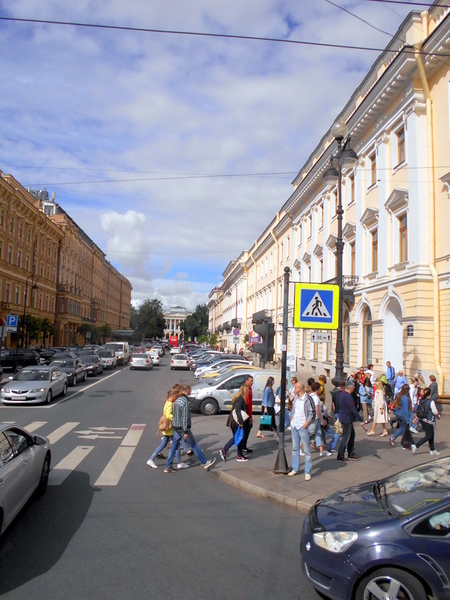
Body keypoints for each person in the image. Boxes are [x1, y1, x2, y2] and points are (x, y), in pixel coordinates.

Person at [164, 384, 216, 473]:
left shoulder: (177, 400)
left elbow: (176, 415)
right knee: (194, 445)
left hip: (176, 427)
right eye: (190, 390)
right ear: (187, 390)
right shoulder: (185, 402)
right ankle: (205, 462)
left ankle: (168, 466)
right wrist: (185, 431)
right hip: (182, 428)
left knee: (174, 447)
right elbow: (184, 417)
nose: (191, 391)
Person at [147, 389, 188, 469]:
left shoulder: (168, 402)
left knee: (164, 445)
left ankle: (151, 459)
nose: (176, 398)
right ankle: (179, 463)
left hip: (168, 428)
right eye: (176, 396)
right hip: (170, 429)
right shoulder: (169, 404)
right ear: (172, 396)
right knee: (176, 445)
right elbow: (168, 415)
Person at [288, 381, 314, 481]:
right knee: (295, 448)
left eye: (295, 388)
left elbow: (312, 413)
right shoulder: (296, 399)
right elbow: (294, 410)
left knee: (306, 450)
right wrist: (292, 420)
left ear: (300, 389)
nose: (294, 390)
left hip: (303, 426)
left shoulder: (308, 399)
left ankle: (308, 471)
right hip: (295, 425)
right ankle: (295, 468)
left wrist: (306, 423)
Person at [336, 381, 366, 462]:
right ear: (351, 388)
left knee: (352, 435)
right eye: (354, 386)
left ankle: (351, 453)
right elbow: (353, 410)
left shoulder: (341, 394)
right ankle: (341, 455)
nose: (354, 388)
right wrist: (361, 419)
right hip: (347, 419)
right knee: (346, 437)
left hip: (343, 417)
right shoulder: (348, 397)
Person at [219, 384, 250, 462]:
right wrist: (241, 422)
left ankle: (239, 455)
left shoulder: (237, 397)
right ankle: (225, 450)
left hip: (233, 421)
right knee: (238, 437)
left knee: (238, 438)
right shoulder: (240, 399)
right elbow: (238, 410)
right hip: (236, 422)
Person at [411, 387, 441, 456]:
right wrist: (438, 415)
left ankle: (432, 449)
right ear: (430, 394)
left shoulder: (421, 400)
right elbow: (434, 411)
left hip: (422, 419)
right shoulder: (431, 401)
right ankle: (416, 446)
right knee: (428, 435)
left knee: (431, 434)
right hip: (428, 420)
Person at [390, 384, 413, 448]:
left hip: (398, 414)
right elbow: (405, 409)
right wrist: (407, 420)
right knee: (405, 429)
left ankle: (393, 438)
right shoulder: (405, 398)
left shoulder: (399, 395)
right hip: (403, 415)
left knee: (403, 428)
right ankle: (404, 444)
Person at [257, 376, 278, 441]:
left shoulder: (270, 389)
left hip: (270, 406)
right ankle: (276, 435)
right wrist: (265, 408)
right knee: (271, 421)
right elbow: (265, 398)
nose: (274, 382)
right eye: (273, 381)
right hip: (268, 407)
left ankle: (259, 432)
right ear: (271, 381)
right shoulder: (267, 389)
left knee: (267, 420)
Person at [310, 381, 328, 456]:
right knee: (308, 433)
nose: (320, 390)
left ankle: (321, 450)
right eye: (319, 389)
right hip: (315, 418)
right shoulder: (316, 398)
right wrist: (322, 420)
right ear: (316, 389)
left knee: (318, 433)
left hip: (312, 417)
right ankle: (299, 447)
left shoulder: (310, 396)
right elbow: (317, 410)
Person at [241, 374, 254, 455]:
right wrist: (250, 417)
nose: (252, 382)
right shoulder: (246, 390)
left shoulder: (249, 389)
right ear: (246, 381)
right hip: (246, 415)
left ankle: (244, 446)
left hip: (247, 414)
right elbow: (248, 404)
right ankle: (243, 447)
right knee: (246, 430)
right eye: (251, 381)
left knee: (247, 429)